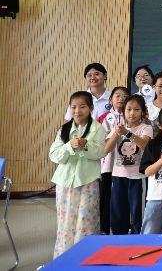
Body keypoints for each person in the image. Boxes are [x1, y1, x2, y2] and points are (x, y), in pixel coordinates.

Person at [50, 91, 106, 257]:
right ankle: (64, 257)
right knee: (65, 220)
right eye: (73, 107)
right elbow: (54, 155)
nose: (77, 111)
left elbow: (100, 153)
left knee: (86, 220)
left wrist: (85, 145)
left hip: (88, 181)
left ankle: (85, 257)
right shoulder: (64, 129)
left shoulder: (97, 128)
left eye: (82, 107)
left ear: (90, 108)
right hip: (64, 182)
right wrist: (69, 146)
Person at [107, 95, 152, 235]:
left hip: (138, 177)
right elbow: (105, 150)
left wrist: (127, 133)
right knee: (118, 212)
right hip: (118, 176)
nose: (132, 113)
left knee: (138, 213)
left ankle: (138, 240)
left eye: (136, 109)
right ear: (123, 111)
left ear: (143, 111)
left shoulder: (146, 128)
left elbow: (143, 144)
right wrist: (117, 133)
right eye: (129, 109)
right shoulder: (117, 128)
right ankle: (118, 240)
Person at [96, 86, 129, 234]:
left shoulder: (132, 115)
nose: (121, 99)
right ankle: (104, 228)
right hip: (108, 164)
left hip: (126, 164)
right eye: (118, 95)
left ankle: (123, 227)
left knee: (122, 197)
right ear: (110, 99)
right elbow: (100, 141)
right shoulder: (104, 117)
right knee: (106, 196)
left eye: (125, 96)